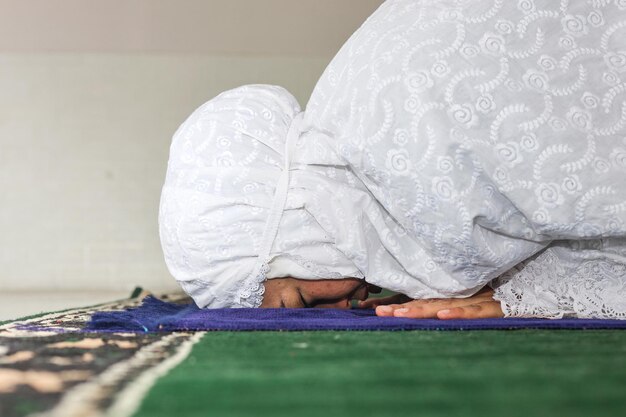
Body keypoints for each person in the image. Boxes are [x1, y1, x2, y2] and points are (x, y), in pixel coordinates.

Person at [159, 0, 626, 320]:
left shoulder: (417, 136)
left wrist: (532, 296)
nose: (340, 311)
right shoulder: (357, 113)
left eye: (300, 301)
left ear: (302, 232)